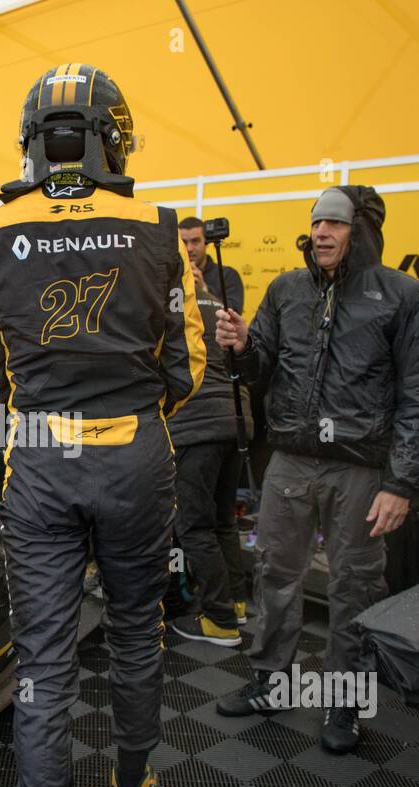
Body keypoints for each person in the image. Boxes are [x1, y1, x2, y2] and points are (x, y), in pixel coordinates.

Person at [0, 64, 204, 787]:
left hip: (39, 459)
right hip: (136, 454)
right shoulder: (162, 226)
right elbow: (188, 366)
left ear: (35, 143)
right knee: (138, 636)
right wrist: (131, 414)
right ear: (111, 136)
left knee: (42, 663)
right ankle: (133, 785)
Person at [213, 186, 419, 755]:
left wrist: (401, 483)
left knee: (354, 586)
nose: (321, 233)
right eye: (316, 223)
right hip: (290, 457)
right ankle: (271, 681)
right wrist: (241, 347)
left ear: (360, 230)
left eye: (334, 224)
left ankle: (344, 701)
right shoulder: (286, 290)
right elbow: (258, 367)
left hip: (362, 469)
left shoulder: (403, 295)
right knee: (274, 572)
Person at [168, 246, 252, 645]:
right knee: (223, 520)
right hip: (234, 421)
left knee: (193, 524)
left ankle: (219, 620)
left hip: (196, 424)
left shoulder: (171, 306)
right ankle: (235, 603)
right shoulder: (218, 303)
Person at [178, 216, 243, 312]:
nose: (189, 249)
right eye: (184, 242)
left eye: (195, 241)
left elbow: (233, 315)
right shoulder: (170, 275)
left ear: (206, 242)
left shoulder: (228, 276)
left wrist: (204, 292)